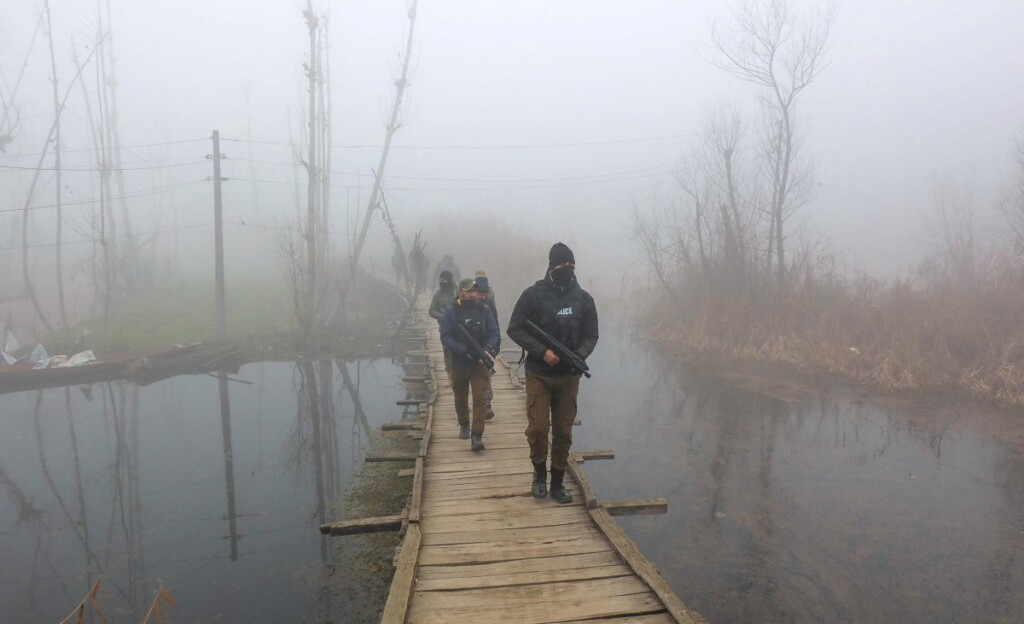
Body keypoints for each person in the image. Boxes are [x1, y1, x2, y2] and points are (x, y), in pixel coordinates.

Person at [507, 242, 598, 503]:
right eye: (561, 265)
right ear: (551, 266)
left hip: (569, 377)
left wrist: (579, 355)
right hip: (538, 374)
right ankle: (538, 474)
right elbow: (515, 328)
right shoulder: (532, 295)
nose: (567, 269)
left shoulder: (584, 299)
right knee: (537, 428)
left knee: (563, 431)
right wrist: (541, 351)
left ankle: (557, 481)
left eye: (571, 265)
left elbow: (591, 335)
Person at [440, 278, 499, 451]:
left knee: (480, 399)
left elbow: (494, 332)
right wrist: (462, 349)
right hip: (459, 361)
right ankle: (464, 423)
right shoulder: (451, 312)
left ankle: (477, 435)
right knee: (460, 396)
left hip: (479, 362)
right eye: (469, 290)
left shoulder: (484, 310)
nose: (473, 293)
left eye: (475, 290)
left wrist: (488, 349)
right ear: (461, 292)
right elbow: (445, 337)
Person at [474, 270, 499, 420]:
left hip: (486, 345)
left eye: (484, 294)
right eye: (480, 294)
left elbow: (494, 324)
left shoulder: (489, 303)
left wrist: (495, 346)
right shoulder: (467, 301)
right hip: (470, 346)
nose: (482, 297)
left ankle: (487, 404)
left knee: (485, 374)